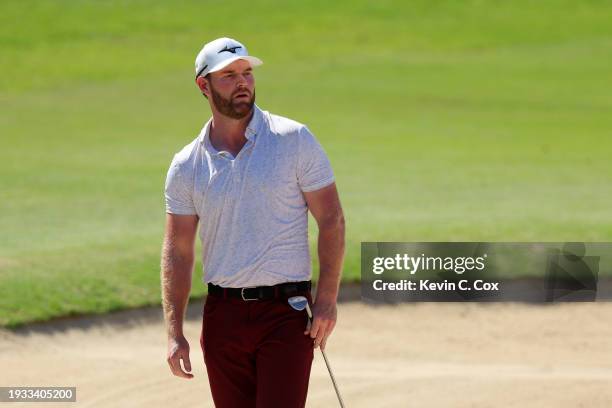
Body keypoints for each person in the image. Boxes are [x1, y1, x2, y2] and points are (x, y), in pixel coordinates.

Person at [161, 37, 345, 407]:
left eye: (246, 73)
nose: (243, 81)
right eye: (228, 75)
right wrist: (174, 332)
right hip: (222, 318)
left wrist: (326, 299)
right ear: (204, 85)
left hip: (286, 313)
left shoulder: (294, 139)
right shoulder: (187, 165)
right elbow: (177, 250)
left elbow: (332, 219)